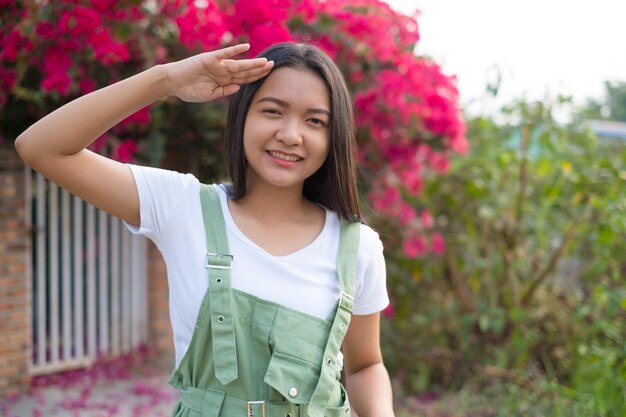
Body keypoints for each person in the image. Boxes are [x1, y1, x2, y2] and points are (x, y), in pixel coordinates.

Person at [16, 42, 394, 417]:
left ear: (334, 138)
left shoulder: (356, 247)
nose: (291, 135)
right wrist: (166, 79)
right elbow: (42, 147)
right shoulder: (183, 207)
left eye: (315, 121)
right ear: (242, 116)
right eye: (273, 111)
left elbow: (364, 366)